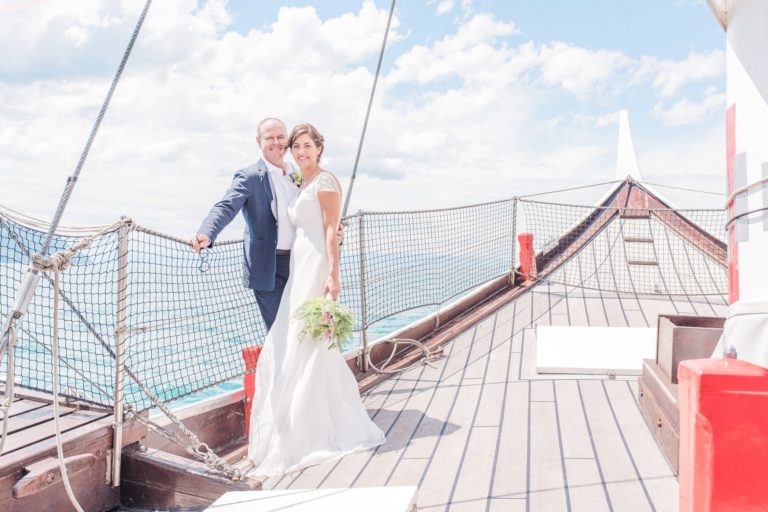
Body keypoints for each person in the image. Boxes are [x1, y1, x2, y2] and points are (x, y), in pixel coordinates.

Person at [247, 123, 385, 477]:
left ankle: (310, 424)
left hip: (318, 262)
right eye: (297, 147)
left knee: (307, 340)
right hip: (299, 263)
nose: (302, 152)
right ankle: (296, 417)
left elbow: (329, 228)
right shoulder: (300, 180)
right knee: (296, 339)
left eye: (307, 146)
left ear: (319, 149)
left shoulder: (325, 181)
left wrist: (333, 275)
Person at [191, 118, 299, 331]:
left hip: (300, 262)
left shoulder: (298, 174)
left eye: (280, 137)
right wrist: (207, 233)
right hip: (269, 267)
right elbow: (226, 206)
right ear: (259, 141)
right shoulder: (248, 177)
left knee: (303, 327)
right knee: (280, 331)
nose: (276, 142)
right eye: (270, 138)